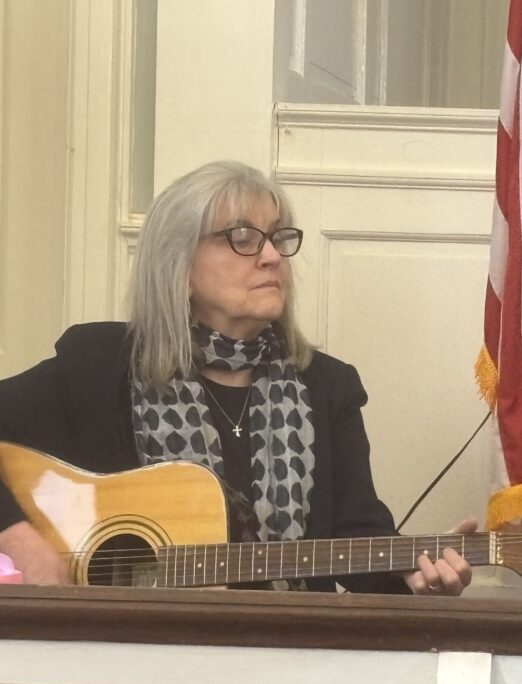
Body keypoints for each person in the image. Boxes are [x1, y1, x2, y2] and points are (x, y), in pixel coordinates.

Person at [0, 160, 474, 596]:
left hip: (287, 649)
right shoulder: (97, 366)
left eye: (278, 238)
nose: (271, 256)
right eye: (244, 237)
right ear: (179, 263)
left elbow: (358, 538)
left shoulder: (327, 387)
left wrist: (412, 573)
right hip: (120, 650)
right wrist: (22, 542)